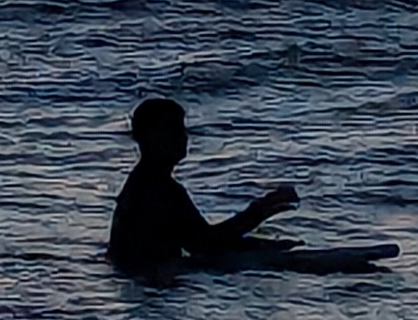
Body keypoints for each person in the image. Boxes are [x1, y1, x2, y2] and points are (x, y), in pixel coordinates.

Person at [104, 96, 298, 271]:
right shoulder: (158, 189)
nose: (183, 137)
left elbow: (200, 240)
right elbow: (206, 244)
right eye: (174, 131)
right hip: (151, 277)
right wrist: (260, 210)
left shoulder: (143, 182)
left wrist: (259, 244)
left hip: (141, 275)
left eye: (182, 130)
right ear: (151, 138)